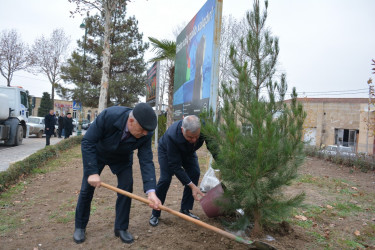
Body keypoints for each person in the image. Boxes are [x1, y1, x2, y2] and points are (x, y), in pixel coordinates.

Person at [73, 103, 162, 244]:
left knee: (126, 189)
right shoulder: (110, 115)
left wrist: (151, 191)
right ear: (131, 121)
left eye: (147, 131)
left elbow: (146, 160)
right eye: (143, 130)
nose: (145, 134)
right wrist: (92, 172)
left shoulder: (146, 132)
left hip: (122, 158)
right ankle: (80, 226)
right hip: (99, 153)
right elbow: (88, 142)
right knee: (86, 189)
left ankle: (121, 228)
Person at [149, 115, 208, 227]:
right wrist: (192, 186)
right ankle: (155, 213)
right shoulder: (172, 135)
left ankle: (185, 209)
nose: (194, 140)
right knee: (165, 179)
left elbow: (212, 146)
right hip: (167, 152)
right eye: (190, 137)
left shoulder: (205, 128)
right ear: (182, 130)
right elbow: (175, 166)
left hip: (188, 152)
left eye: (197, 136)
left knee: (194, 172)